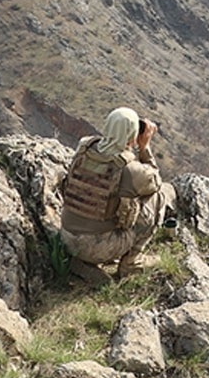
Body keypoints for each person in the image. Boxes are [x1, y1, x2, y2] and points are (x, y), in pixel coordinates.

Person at [59, 106, 176, 282]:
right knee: (158, 196)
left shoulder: (84, 146)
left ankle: (80, 260)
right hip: (98, 248)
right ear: (132, 135)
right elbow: (155, 181)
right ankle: (131, 262)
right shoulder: (129, 169)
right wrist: (144, 148)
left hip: (67, 237)